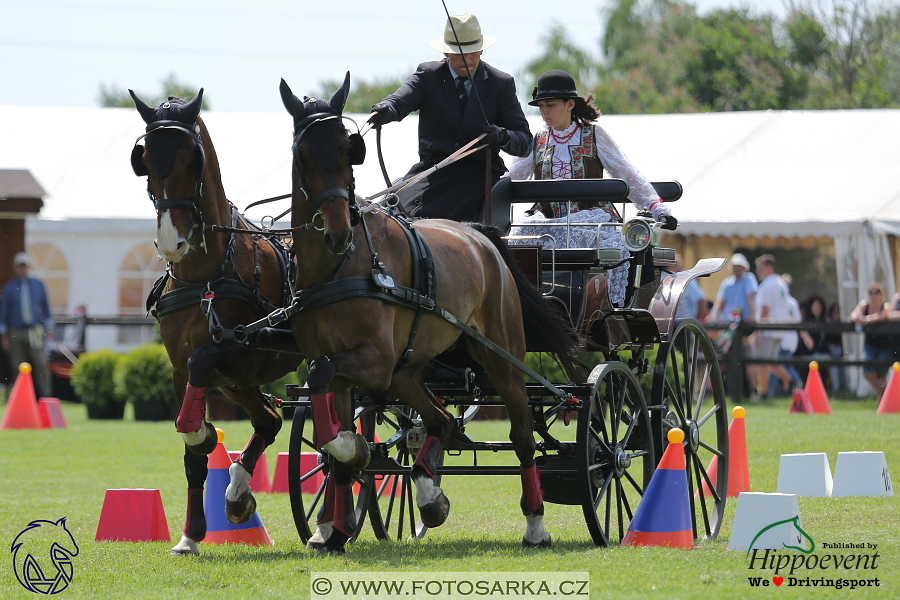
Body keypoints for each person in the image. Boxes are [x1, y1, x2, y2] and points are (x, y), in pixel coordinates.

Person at [505, 69, 676, 305]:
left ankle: (614, 310)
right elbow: (510, 177)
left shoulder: (594, 135)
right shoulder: (537, 140)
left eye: (550, 105)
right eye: (541, 106)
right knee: (513, 239)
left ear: (570, 104)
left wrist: (658, 208)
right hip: (548, 223)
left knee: (619, 247)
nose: (544, 111)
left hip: (591, 222)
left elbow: (628, 174)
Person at [367, 13, 532, 222]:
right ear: (446, 52)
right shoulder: (428, 75)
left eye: (473, 52)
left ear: (481, 49)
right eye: (459, 53)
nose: (468, 60)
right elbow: (399, 100)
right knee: (386, 214)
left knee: (430, 219)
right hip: (430, 172)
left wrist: (503, 137)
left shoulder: (500, 83)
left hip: (478, 176)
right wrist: (384, 110)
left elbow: (525, 141)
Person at [0, 252, 54, 398]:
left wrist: (49, 328)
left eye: (24, 266)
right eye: (19, 266)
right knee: (17, 367)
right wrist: (4, 336)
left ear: (28, 267)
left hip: (35, 330)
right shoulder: (9, 288)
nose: (22, 269)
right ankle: (22, 399)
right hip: (15, 332)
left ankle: (45, 398)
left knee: (41, 365)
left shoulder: (38, 285)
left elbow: (46, 308)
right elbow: (3, 313)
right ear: (15, 268)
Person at [750, 254, 802, 398]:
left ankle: (764, 393)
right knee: (770, 362)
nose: (758, 271)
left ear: (770, 267)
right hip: (780, 330)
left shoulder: (766, 285)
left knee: (761, 362)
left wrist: (757, 332)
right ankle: (789, 380)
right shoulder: (781, 283)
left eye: (761, 268)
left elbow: (765, 311)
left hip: (768, 330)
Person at [850, 283, 892, 403]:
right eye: (871, 292)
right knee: (868, 373)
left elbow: (882, 316)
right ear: (867, 294)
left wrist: (865, 319)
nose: (874, 295)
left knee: (881, 375)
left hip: (885, 346)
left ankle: (882, 407)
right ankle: (891, 394)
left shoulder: (885, 306)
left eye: (876, 292)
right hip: (869, 345)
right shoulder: (864, 305)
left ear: (881, 294)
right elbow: (853, 316)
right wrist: (862, 318)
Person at [711, 253, 757, 324]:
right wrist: (714, 315)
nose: (737, 269)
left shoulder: (749, 279)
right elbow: (720, 300)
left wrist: (753, 315)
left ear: (744, 267)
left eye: (739, 266)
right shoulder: (726, 282)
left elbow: (750, 296)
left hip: (746, 321)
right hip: (729, 321)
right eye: (735, 266)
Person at [824, 302, 847, 392]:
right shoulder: (828, 325)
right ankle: (836, 390)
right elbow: (826, 342)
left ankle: (845, 389)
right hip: (831, 353)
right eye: (835, 312)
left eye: (839, 312)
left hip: (842, 353)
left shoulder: (844, 324)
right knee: (834, 367)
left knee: (842, 368)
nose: (837, 314)